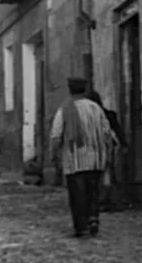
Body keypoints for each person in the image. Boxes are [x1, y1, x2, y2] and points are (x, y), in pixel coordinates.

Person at [50, 78, 116, 238]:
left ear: (69, 90)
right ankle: (93, 218)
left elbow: (56, 135)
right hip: (96, 158)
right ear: (85, 90)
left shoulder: (65, 109)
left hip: (75, 159)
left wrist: (54, 154)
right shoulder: (96, 108)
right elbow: (107, 132)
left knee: (77, 193)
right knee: (93, 191)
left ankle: (81, 226)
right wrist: (107, 152)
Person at [85, 90, 127, 211]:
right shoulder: (109, 114)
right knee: (107, 174)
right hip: (106, 148)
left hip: (90, 149)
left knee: (93, 175)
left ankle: (98, 201)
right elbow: (118, 130)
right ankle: (108, 200)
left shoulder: (85, 117)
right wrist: (123, 144)